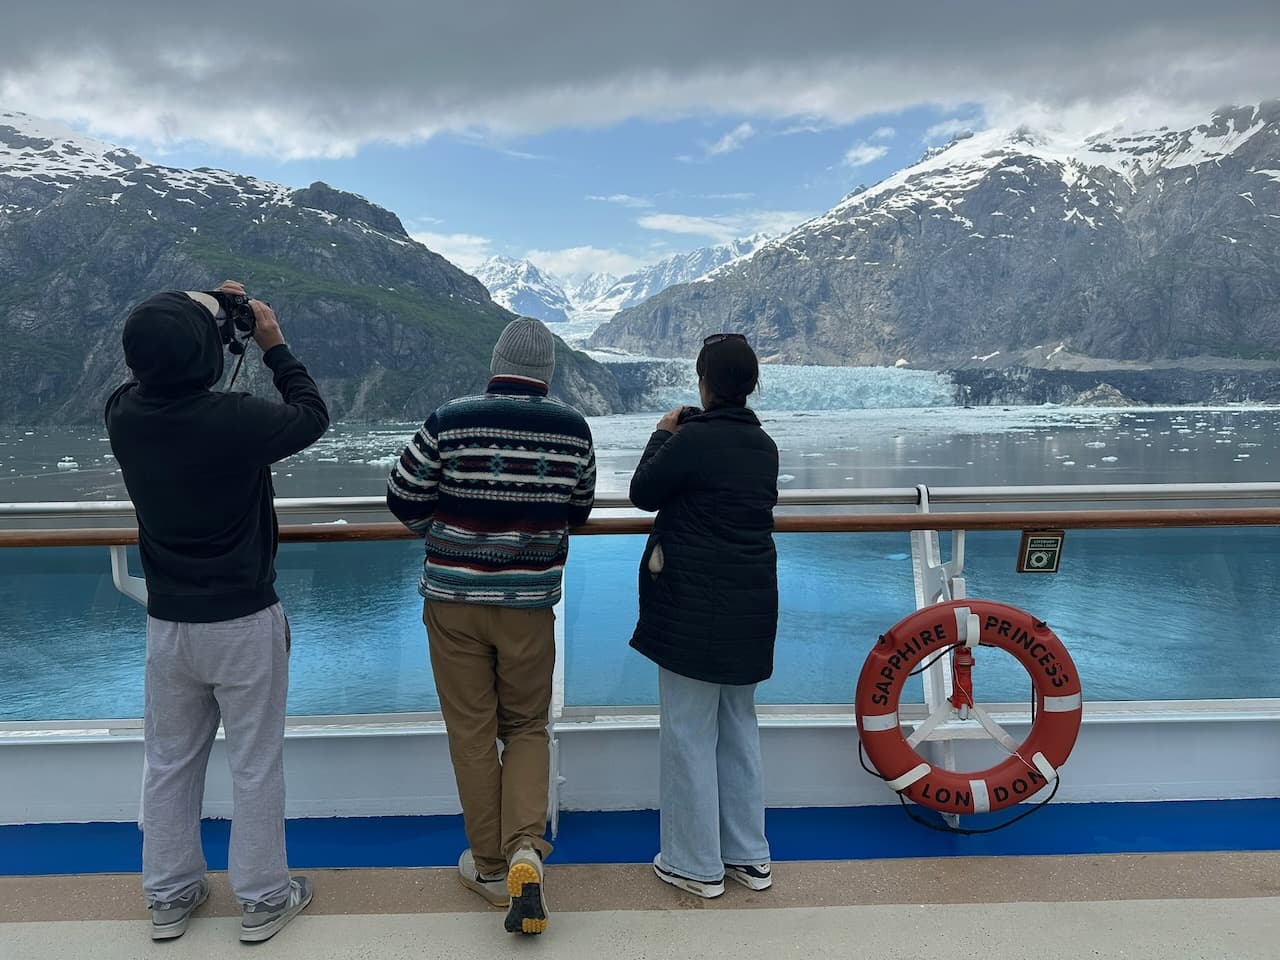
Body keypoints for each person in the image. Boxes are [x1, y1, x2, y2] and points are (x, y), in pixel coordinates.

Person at [105, 281, 329, 942]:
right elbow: (311, 413)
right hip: (242, 622)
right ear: (207, 354)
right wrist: (272, 344)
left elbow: (160, 359)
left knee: (170, 761)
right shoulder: (235, 421)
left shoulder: (124, 414)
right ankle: (262, 899)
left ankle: (169, 895)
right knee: (255, 763)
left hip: (168, 623)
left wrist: (204, 303)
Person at [386, 317, 596, 936]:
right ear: (548, 372)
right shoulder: (572, 428)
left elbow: (402, 495)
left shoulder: (451, 418)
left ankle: (487, 865)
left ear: (496, 361)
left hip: (453, 600)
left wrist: (444, 530)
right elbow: (578, 509)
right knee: (528, 724)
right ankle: (526, 848)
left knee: (473, 731)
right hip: (529, 603)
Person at [628, 333, 780, 899]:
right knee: (739, 729)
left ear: (705, 382)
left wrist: (661, 434)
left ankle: (694, 864)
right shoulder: (764, 445)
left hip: (692, 607)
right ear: (752, 384)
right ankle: (748, 856)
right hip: (751, 606)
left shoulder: (692, 440)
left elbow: (643, 493)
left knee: (689, 732)